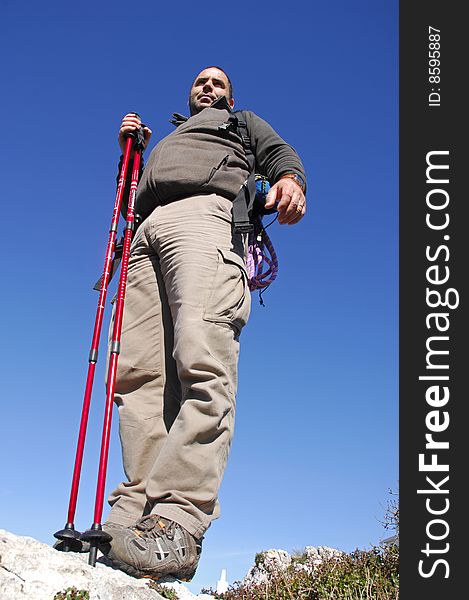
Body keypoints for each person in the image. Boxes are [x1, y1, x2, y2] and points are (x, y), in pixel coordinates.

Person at [101, 66, 307, 581]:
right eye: (200, 82)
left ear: (229, 96)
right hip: (145, 231)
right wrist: (133, 154)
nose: (208, 86)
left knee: (201, 357)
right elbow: (130, 197)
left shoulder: (240, 124)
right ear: (189, 94)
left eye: (217, 82)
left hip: (207, 216)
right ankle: (133, 518)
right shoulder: (167, 138)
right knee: (139, 376)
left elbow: (281, 154)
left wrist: (289, 180)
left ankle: (178, 520)